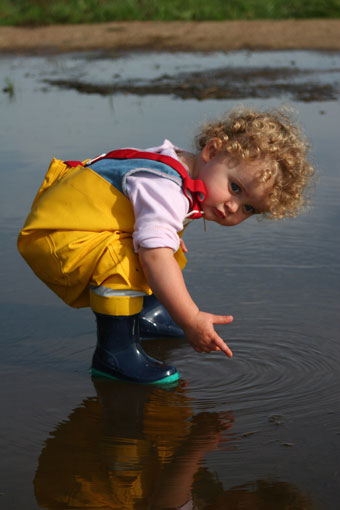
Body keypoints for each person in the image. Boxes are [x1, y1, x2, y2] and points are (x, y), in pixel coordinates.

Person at [17, 107, 314, 385]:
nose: (233, 207)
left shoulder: (181, 163)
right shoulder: (168, 188)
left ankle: (144, 316)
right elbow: (155, 258)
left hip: (71, 221)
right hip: (58, 238)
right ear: (211, 151)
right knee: (145, 257)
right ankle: (115, 354)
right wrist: (191, 318)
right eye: (235, 188)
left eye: (249, 208)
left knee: (167, 246)